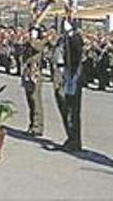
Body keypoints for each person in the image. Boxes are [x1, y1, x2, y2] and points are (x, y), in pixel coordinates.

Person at [54, 21, 83, 153]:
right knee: (65, 108)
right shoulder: (62, 39)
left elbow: (77, 49)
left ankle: (75, 140)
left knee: (73, 110)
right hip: (63, 74)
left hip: (73, 74)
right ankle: (70, 137)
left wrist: (72, 34)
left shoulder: (75, 38)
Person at [21, 26, 48, 137]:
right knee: (29, 100)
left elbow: (36, 47)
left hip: (35, 72)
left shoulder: (42, 41)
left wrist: (33, 38)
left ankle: (38, 126)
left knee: (35, 99)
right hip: (28, 72)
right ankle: (32, 124)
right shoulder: (29, 42)